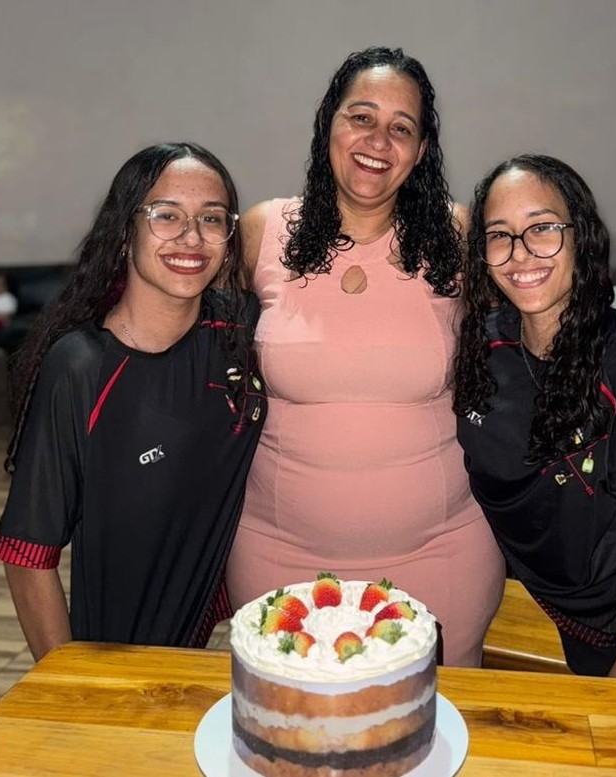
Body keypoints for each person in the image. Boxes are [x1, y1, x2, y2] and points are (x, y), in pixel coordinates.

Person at [225, 46, 505, 667]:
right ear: (329, 122)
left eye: (401, 127)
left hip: (441, 559)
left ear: (422, 150)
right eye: (361, 116)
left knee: (435, 750)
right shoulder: (262, 230)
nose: (378, 139)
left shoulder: (460, 238)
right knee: (288, 747)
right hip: (277, 557)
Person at [0, 143, 265, 661]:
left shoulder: (243, 330)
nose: (191, 237)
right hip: (117, 654)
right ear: (124, 232)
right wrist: (74, 687)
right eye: (167, 216)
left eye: (211, 219)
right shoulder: (81, 367)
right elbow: (27, 555)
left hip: (226, 635)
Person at [454, 154, 616, 680]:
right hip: (515, 601)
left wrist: (615, 696)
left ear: (582, 236)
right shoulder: (484, 344)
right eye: (499, 235)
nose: (521, 253)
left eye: (543, 228)